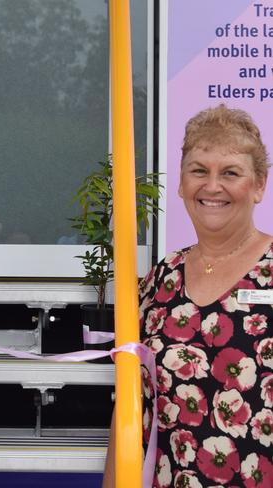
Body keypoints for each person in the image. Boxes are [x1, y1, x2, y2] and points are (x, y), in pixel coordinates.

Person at [103, 105, 273, 487]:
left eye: (230, 173)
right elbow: (133, 404)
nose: (212, 186)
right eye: (199, 171)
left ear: (259, 185)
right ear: (181, 183)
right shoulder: (160, 280)